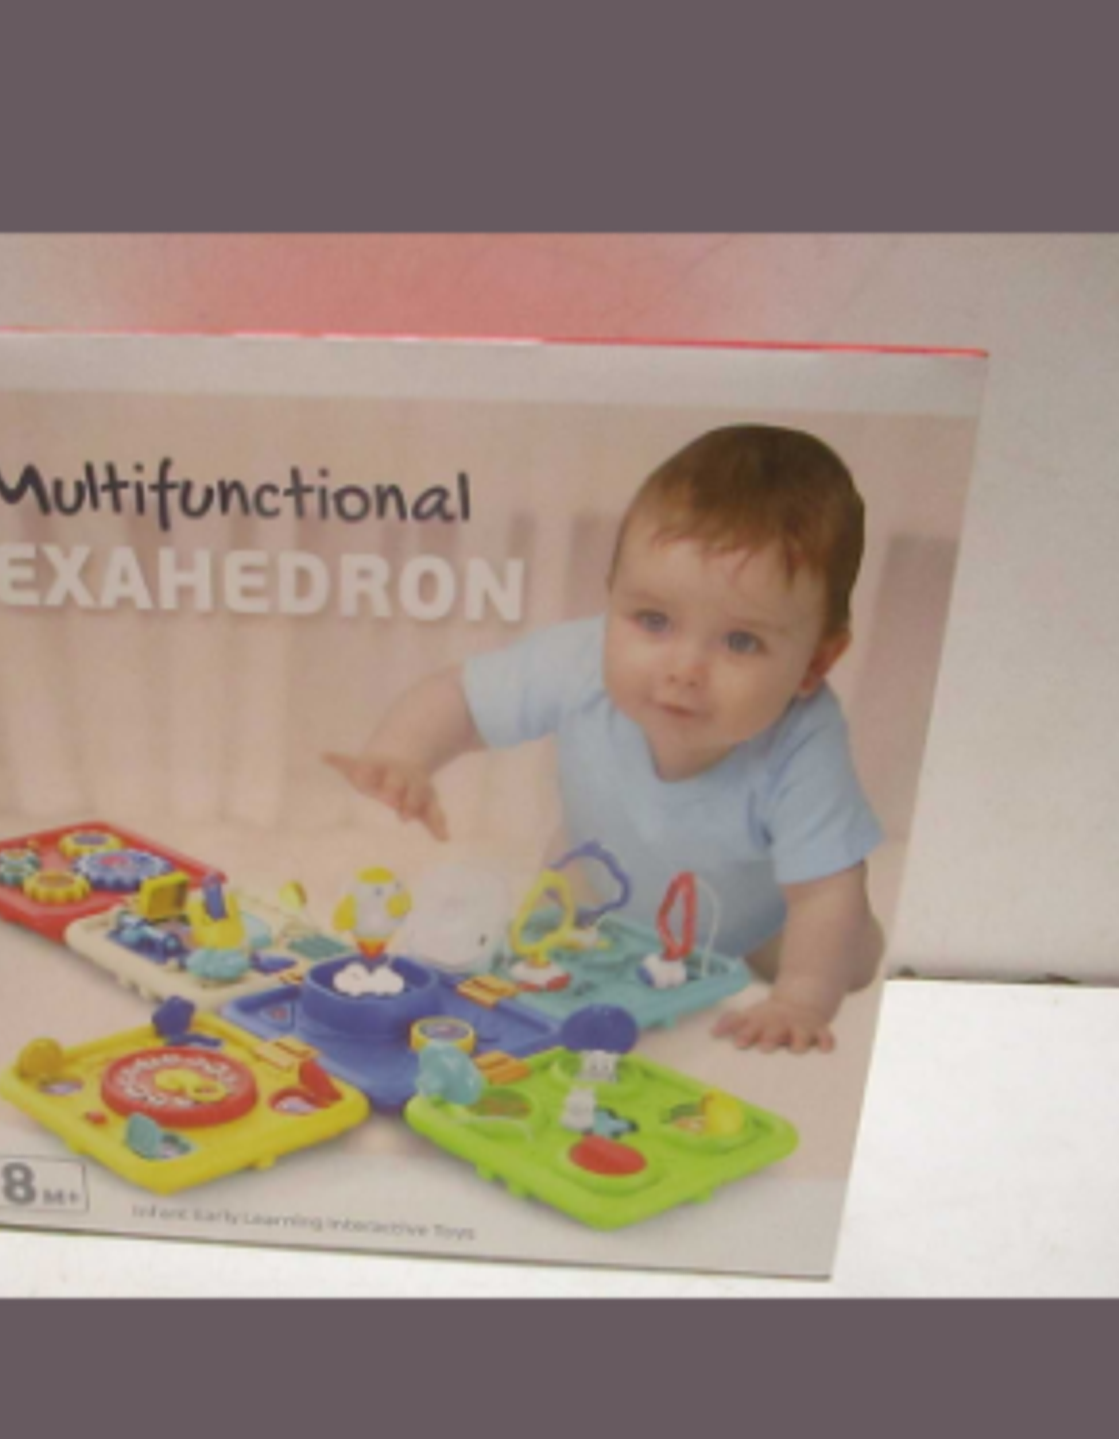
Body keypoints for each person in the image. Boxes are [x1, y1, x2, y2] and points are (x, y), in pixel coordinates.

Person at [325, 425, 885, 1054]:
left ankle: (844, 953)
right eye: (654, 620)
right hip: (596, 884)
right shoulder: (579, 660)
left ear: (815, 662)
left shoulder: (803, 742)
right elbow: (462, 699)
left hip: (756, 918)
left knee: (842, 955)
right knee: (540, 942)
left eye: (740, 641)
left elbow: (824, 890)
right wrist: (403, 754)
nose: (684, 669)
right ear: (612, 596)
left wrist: (801, 998)